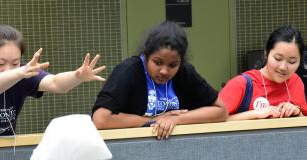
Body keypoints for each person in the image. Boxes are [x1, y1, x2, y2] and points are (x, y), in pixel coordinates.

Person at [0, 18, 105, 139]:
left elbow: (56, 84)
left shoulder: (22, 72)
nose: (8, 69)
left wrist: (77, 76)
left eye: (15, 62)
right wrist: (20, 71)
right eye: (0, 63)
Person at [91, 21, 228, 140]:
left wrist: (176, 119)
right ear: (146, 55)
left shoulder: (185, 72)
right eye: (157, 62)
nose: (164, 71)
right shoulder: (129, 71)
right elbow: (100, 119)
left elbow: (221, 111)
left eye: (172, 65)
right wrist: (154, 120)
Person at [219, 25, 307, 120]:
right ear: (266, 54)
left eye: (292, 62)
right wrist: (255, 114)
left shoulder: (296, 82)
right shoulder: (241, 84)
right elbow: (212, 121)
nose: (283, 67)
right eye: (278, 59)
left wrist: (297, 113)